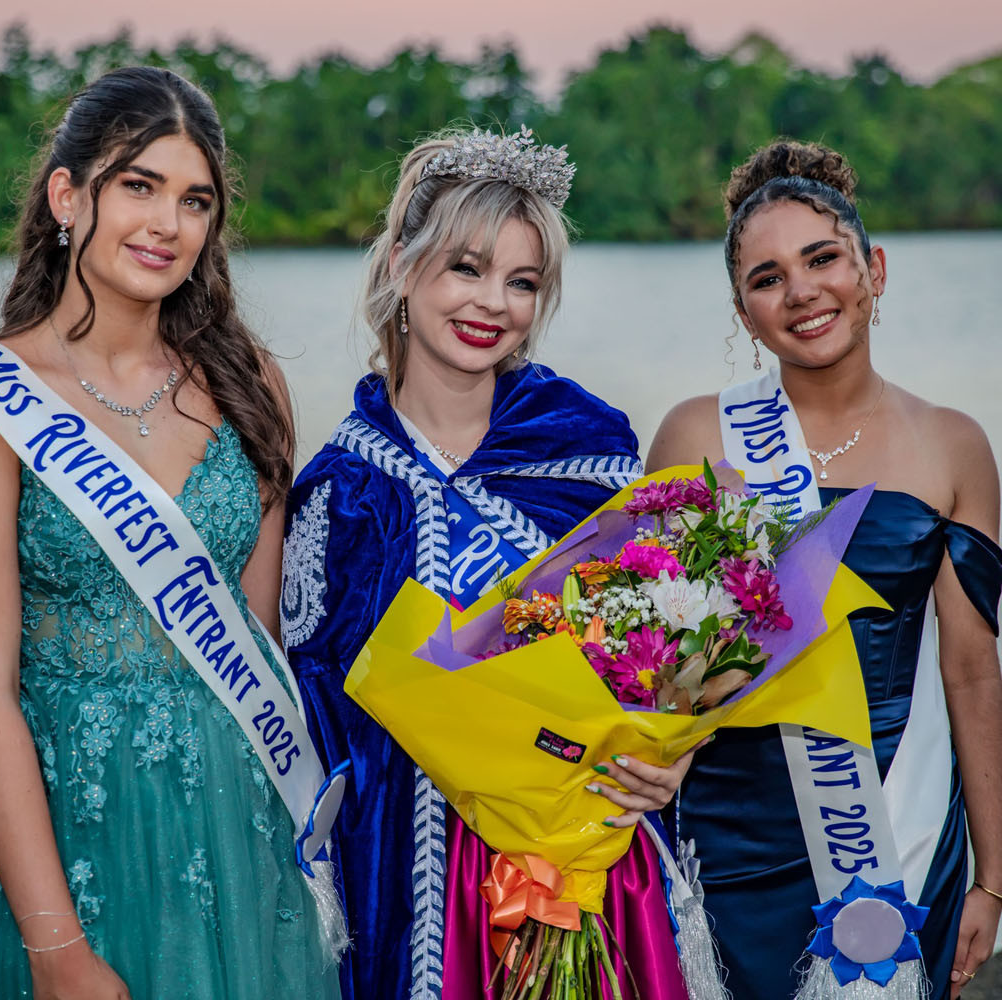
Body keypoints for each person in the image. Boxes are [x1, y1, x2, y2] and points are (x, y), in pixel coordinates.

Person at [0, 66, 341, 1000]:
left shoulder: (247, 383)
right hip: (64, 831)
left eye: (195, 200)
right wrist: (56, 948)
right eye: (137, 185)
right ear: (68, 196)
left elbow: (255, 636)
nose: (166, 224)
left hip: (234, 816)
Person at [279, 127, 697, 1000]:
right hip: (405, 876)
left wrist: (673, 753)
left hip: (586, 869)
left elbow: (662, 655)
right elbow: (315, 721)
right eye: (467, 268)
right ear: (403, 262)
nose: (493, 304)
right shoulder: (339, 493)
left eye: (522, 280)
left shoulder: (586, 449)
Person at [646, 140, 1002, 999]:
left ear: (873, 270)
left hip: (894, 825)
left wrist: (993, 878)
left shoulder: (952, 445)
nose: (801, 291)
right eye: (767, 278)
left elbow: (970, 672)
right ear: (744, 313)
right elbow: (655, 666)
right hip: (723, 838)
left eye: (822, 259)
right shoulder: (697, 436)